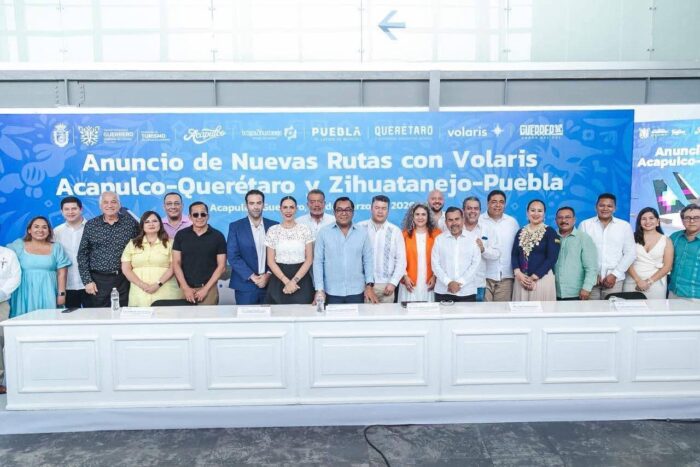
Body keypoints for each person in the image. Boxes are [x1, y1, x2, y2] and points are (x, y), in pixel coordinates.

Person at [77, 191, 139, 307]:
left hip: (124, 279)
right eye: (105, 202)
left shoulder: (131, 223)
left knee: (124, 313)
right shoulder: (91, 225)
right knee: (100, 315)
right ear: (100, 206)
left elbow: (140, 248)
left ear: (119, 205)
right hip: (98, 281)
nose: (110, 205)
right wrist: (87, 281)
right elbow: (82, 254)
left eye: (113, 202)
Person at [313, 197, 375, 305]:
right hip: (331, 292)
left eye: (347, 210)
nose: (344, 213)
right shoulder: (324, 233)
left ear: (353, 212)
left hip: (357, 291)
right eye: (339, 210)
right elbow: (318, 262)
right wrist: (319, 289)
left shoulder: (362, 233)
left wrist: (369, 286)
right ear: (334, 212)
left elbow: (368, 260)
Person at [8, 216, 71, 316]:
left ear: (49, 231)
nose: (40, 230)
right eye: (36, 227)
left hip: (49, 291)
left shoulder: (56, 247)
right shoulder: (18, 245)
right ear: (29, 230)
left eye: (44, 227)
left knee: (49, 320)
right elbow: (4, 261)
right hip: (24, 293)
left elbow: (62, 273)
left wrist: (61, 294)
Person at [579, 193, 636, 299]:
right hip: (590, 280)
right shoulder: (585, 225)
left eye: (609, 206)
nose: (605, 209)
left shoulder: (624, 226)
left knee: (613, 309)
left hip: (615, 281)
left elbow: (630, 254)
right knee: (589, 309)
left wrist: (615, 274)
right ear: (596, 207)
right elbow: (580, 252)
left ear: (614, 208)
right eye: (602, 205)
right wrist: (592, 275)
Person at [121, 211, 184, 306]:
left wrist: (158, 284)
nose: (151, 224)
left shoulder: (171, 243)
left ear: (160, 224)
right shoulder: (132, 244)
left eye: (155, 221)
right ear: (142, 225)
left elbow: (174, 266)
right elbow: (126, 269)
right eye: (147, 222)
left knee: (166, 314)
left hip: (166, 291)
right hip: (139, 292)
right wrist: (142, 285)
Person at [227, 190, 279, 305]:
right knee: (246, 317)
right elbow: (233, 256)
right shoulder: (235, 227)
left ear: (263, 205)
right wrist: (252, 277)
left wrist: (268, 275)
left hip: (270, 285)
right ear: (246, 205)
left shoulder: (274, 226)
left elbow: (279, 254)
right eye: (252, 203)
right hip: (245, 286)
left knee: (272, 317)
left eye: (259, 203)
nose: (255, 207)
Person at [172, 202, 227, 305]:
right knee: (183, 315)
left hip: (209, 289)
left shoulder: (218, 236)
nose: (199, 217)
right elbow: (176, 263)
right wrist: (185, 288)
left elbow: (222, 266)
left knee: (208, 315)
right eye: (195, 214)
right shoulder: (181, 235)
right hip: (185, 289)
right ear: (190, 217)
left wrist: (206, 289)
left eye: (203, 214)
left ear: (208, 216)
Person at [264, 196, 314, 304]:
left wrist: (294, 281)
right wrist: (287, 282)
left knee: (303, 312)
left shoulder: (305, 229)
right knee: (278, 312)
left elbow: (309, 259)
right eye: (285, 207)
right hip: (279, 279)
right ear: (280, 209)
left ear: (296, 209)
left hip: (301, 278)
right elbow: (270, 262)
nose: (288, 210)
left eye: (291, 207)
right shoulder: (272, 230)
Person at [358, 195, 406, 304]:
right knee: (365, 314)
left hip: (387, 286)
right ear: (371, 208)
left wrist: (393, 283)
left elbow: (401, 260)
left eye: (384, 208)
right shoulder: (360, 228)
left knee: (387, 315)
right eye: (377, 208)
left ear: (388, 211)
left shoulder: (395, 231)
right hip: (363, 286)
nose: (380, 211)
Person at [512, 200, 561, 301]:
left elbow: (552, 258)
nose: (536, 214)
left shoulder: (550, 232)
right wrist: (518, 273)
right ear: (527, 213)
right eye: (532, 210)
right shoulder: (521, 231)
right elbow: (514, 255)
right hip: (521, 279)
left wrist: (534, 277)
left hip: (541, 279)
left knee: (542, 309)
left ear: (544, 214)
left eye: (539, 211)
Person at [431, 207, 481, 302]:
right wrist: (448, 282)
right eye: (450, 220)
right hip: (443, 292)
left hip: (467, 292)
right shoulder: (439, 239)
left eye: (457, 219)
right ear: (446, 222)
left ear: (463, 219)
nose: (454, 223)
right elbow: (435, 264)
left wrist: (460, 283)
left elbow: (476, 265)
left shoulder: (473, 238)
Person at [623, 207, 674, 299]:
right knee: (630, 307)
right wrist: (638, 280)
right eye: (644, 219)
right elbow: (626, 261)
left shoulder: (666, 240)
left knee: (655, 307)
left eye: (651, 218)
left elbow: (667, 266)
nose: (647, 222)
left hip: (656, 282)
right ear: (639, 222)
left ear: (657, 221)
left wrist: (649, 282)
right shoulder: (631, 237)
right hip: (632, 280)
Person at [479, 190, 520, 301]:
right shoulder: (479, 221)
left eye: (501, 202)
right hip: (483, 278)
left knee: (502, 311)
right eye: (494, 202)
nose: (498, 205)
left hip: (506, 278)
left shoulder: (512, 223)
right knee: (482, 310)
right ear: (487, 203)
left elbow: (518, 250)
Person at [398, 203, 441, 303]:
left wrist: (435, 277)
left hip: (430, 281)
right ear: (412, 216)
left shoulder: (437, 234)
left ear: (428, 216)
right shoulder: (404, 234)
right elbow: (399, 258)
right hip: (409, 282)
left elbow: (442, 258)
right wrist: (404, 276)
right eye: (417, 214)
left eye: (423, 214)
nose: (420, 217)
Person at [553, 207, 598, 300]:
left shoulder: (584, 238)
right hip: (553, 291)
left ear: (574, 220)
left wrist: (586, 288)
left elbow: (591, 267)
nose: (563, 220)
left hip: (576, 292)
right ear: (556, 220)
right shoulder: (551, 237)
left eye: (567, 217)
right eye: (560, 217)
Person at [462, 196, 500, 301]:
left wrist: (483, 250)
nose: (473, 211)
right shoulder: (456, 229)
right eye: (469, 208)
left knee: (478, 311)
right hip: (459, 284)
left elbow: (497, 253)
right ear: (463, 210)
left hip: (478, 284)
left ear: (480, 211)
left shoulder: (488, 229)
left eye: (476, 208)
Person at [53, 196, 88, 308]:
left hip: (90, 284)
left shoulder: (92, 228)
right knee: (69, 317)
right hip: (67, 285)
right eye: (66, 209)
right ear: (61, 211)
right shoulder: (56, 232)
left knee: (94, 316)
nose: (70, 212)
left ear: (81, 209)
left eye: (74, 208)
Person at [0, 244, 21, 395]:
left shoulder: (8, 254)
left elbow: (15, 277)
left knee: (0, 340)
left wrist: (1, 293)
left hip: (1, 302)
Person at [668, 204, 700, 299]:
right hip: (673, 292)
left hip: (696, 296)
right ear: (682, 220)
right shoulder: (674, 237)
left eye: (696, 217)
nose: (692, 221)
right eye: (687, 218)